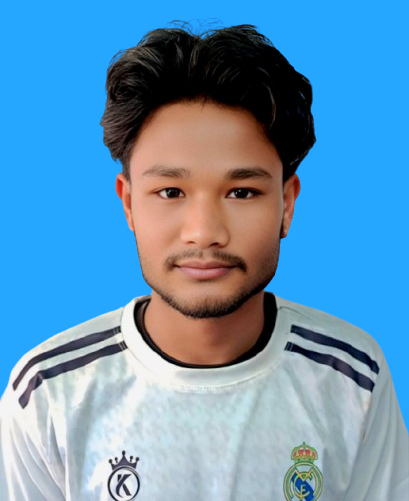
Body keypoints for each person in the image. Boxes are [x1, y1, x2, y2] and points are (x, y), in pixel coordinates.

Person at [0, 21, 407, 501]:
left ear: (287, 203)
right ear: (128, 203)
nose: (204, 232)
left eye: (242, 192)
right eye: (171, 191)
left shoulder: (352, 377)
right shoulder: (49, 393)